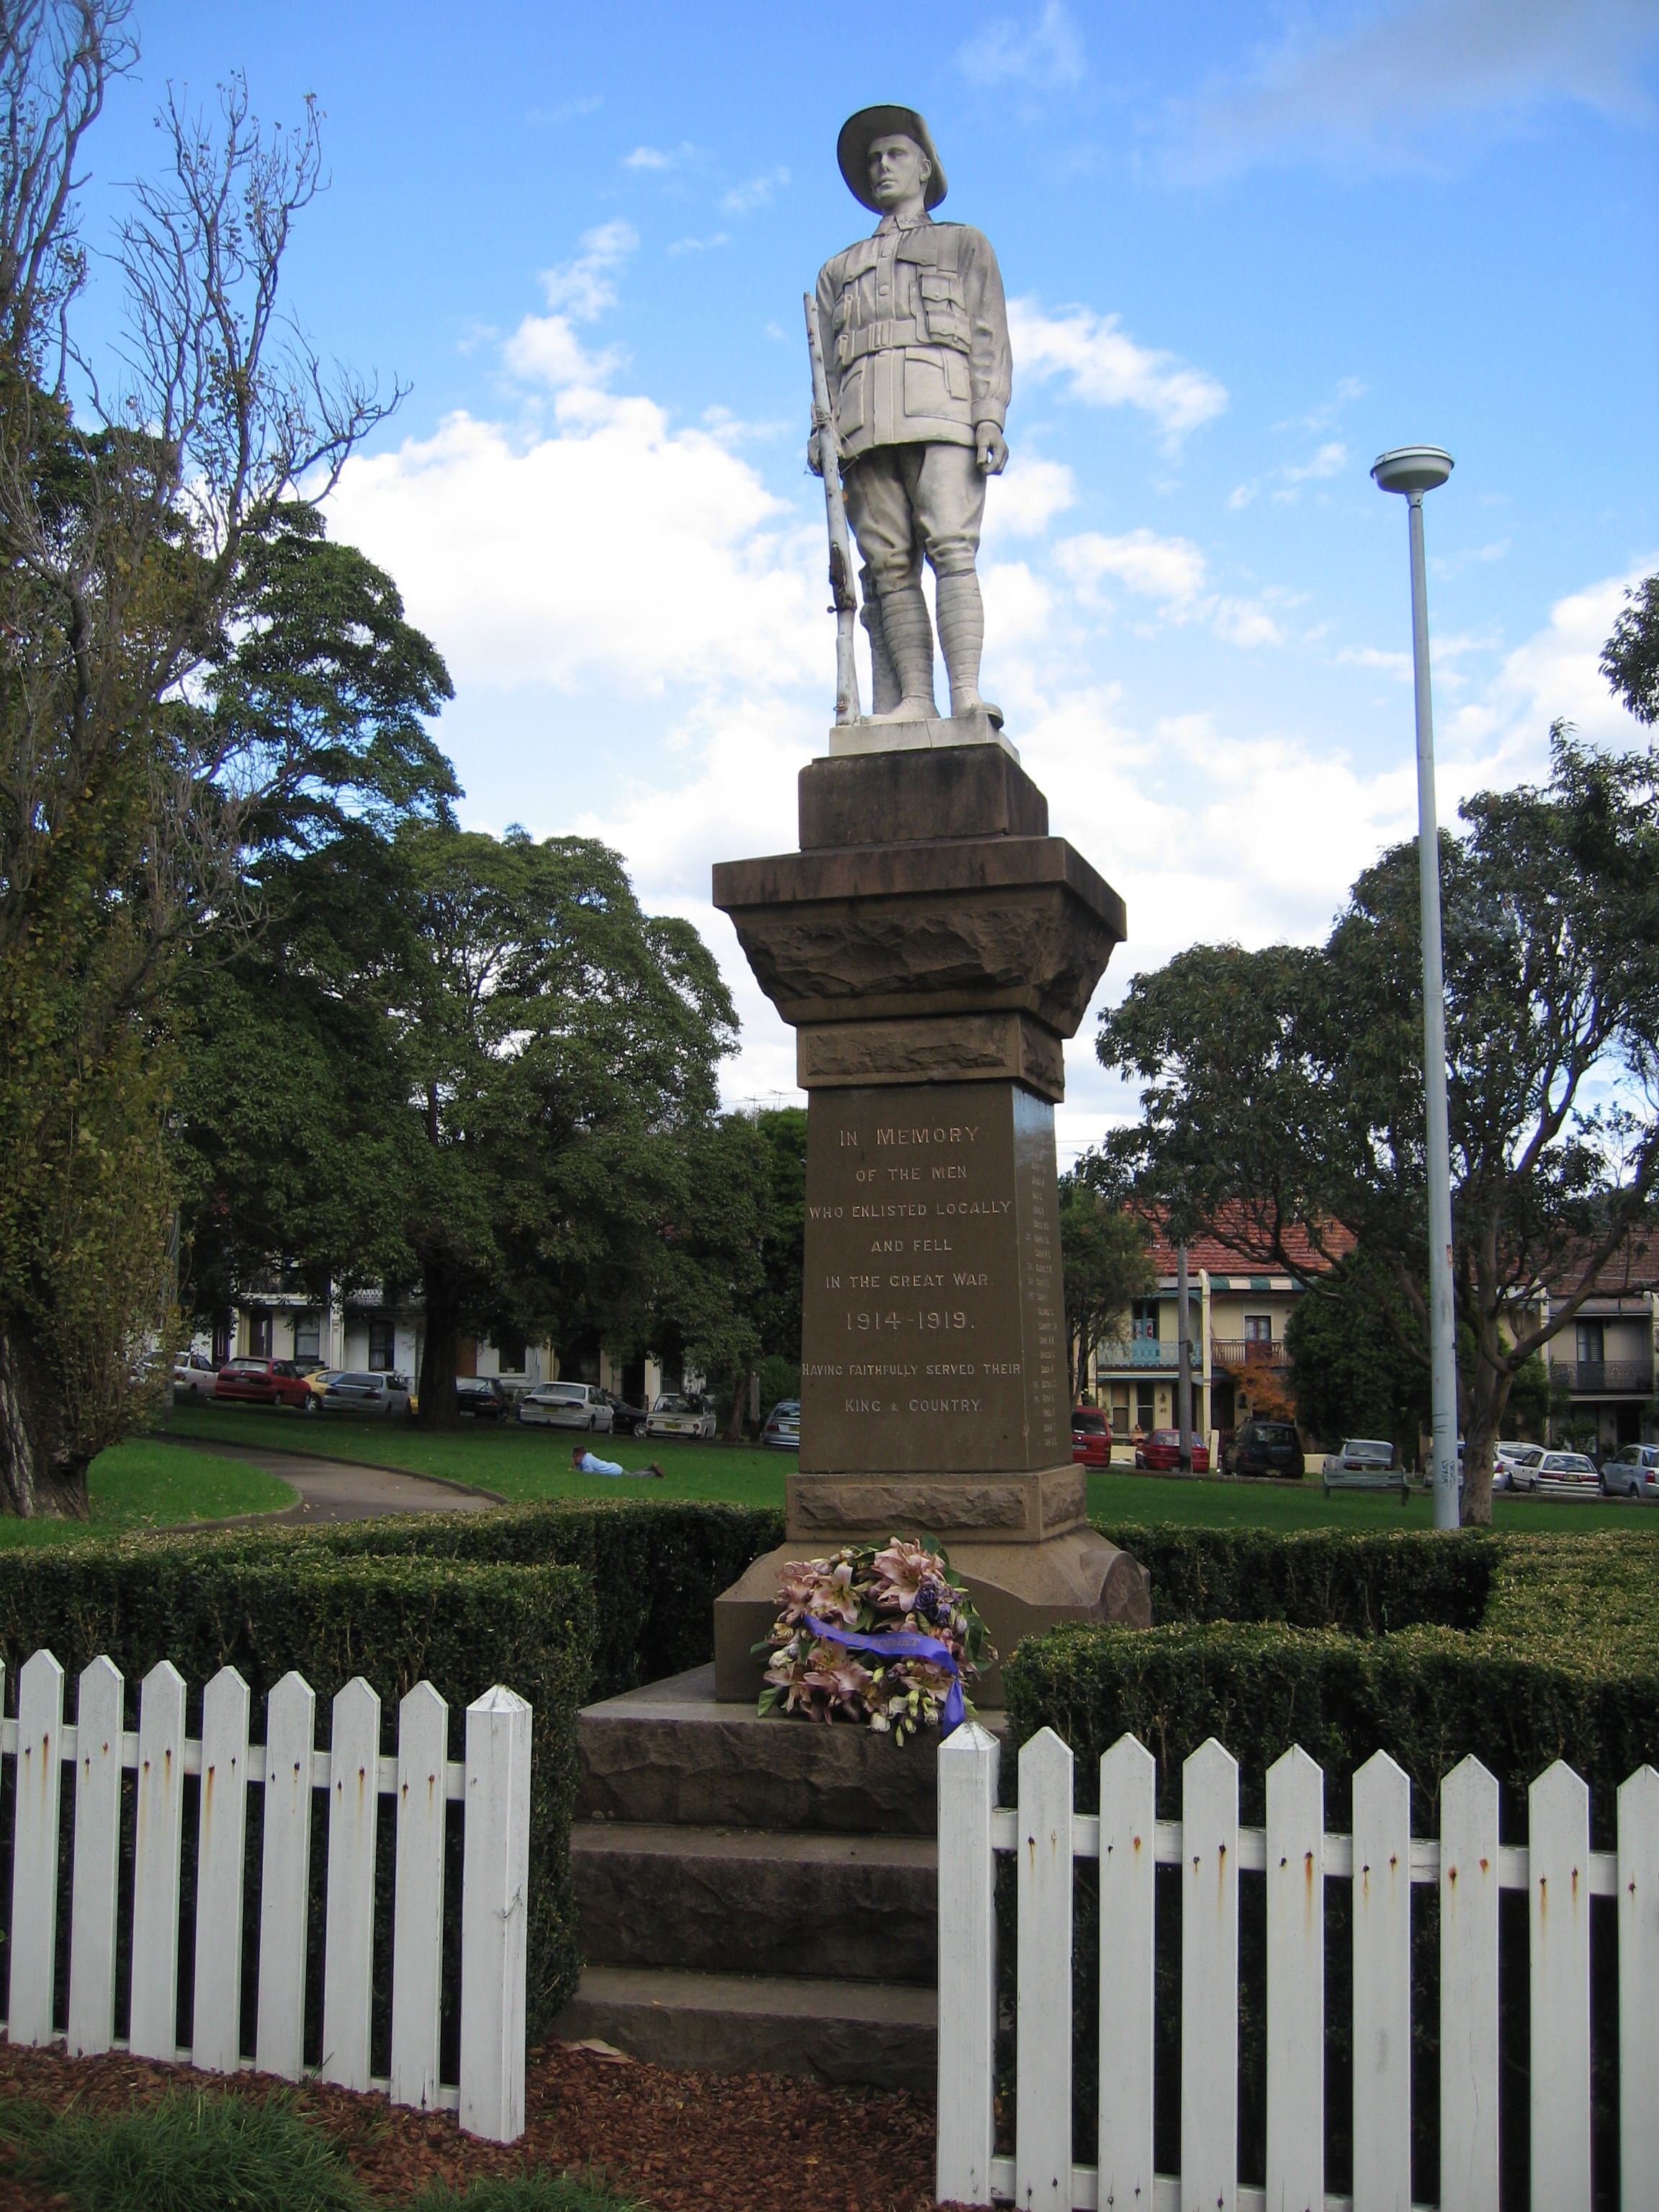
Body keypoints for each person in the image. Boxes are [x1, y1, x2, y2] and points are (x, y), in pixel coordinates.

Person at [812, 104, 1012, 725]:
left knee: (952, 548)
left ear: (925, 167)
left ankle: (966, 694)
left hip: (945, 413)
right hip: (862, 429)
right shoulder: (837, 270)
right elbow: (826, 365)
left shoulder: (963, 244)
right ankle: (915, 699)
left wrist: (990, 415)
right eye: (873, 159)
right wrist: (821, 431)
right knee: (889, 567)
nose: (882, 167)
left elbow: (989, 334)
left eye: (896, 154)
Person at [571, 1444, 665, 1479]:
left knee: (634, 1477)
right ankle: (650, 1468)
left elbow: (588, 1473)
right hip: (614, 1468)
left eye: (576, 1458)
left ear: (581, 1455)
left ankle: (653, 1474)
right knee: (631, 1473)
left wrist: (574, 1470)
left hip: (614, 1472)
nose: (575, 1460)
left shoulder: (586, 1461)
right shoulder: (588, 1457)